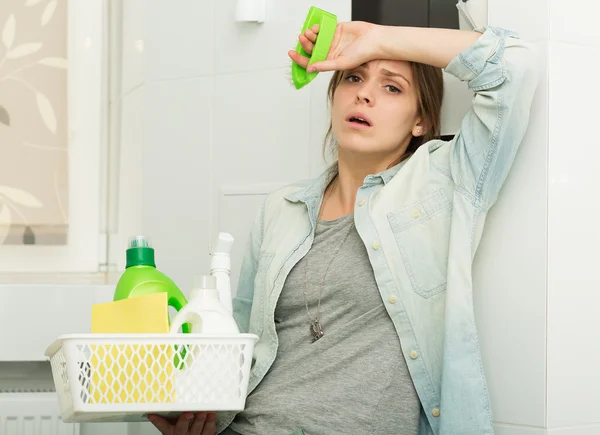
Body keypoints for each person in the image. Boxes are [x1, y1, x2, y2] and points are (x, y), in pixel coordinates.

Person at [150, 17, 538, 435]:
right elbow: (239, 347)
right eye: (354, 77)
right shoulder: (280, 209)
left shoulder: (445, 180)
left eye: (392, 86)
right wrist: (199, 419)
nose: (365, 94)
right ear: (334, 97)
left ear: (420, 122)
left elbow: (515, 67)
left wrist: (376, 39)